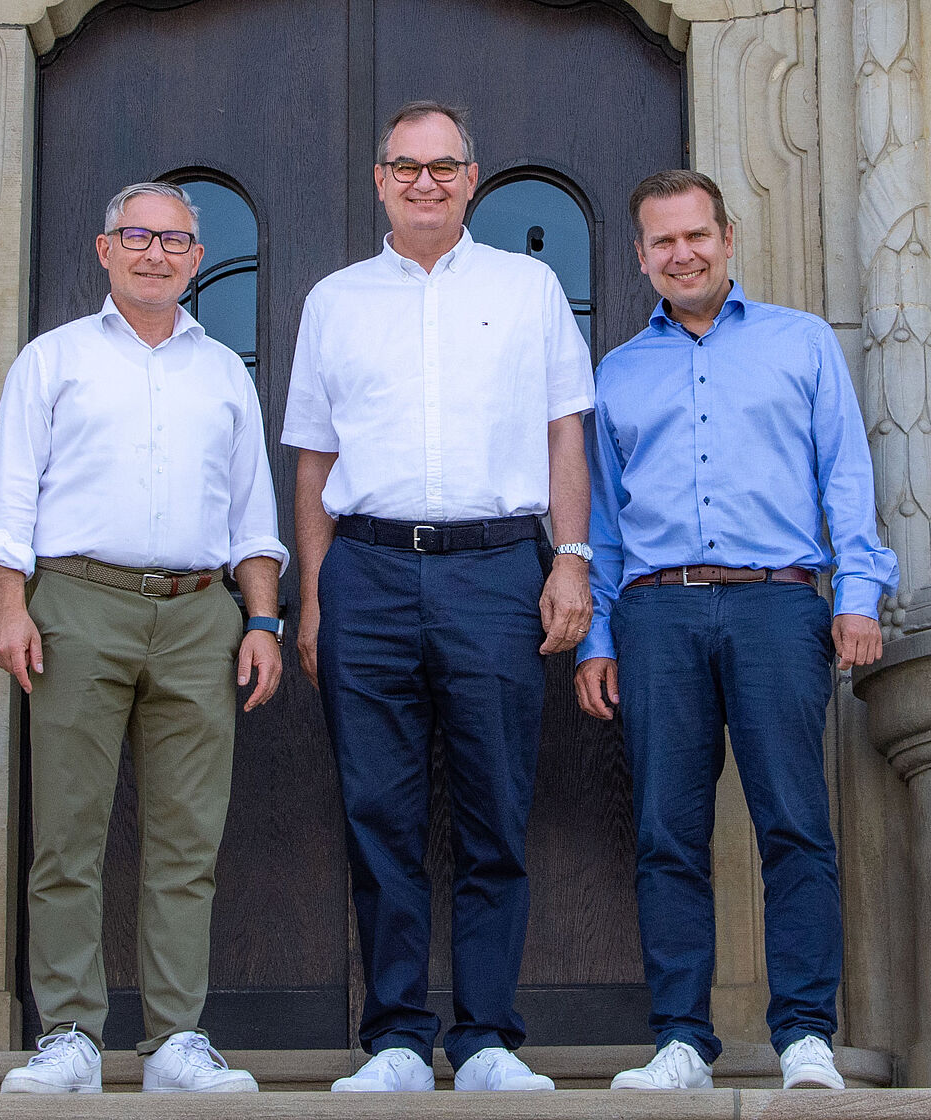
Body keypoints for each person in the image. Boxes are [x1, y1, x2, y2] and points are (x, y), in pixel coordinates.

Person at [282, 101, 594, 1093]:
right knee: (378, 811)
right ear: (378, 179)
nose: (424, 181)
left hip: (495, 567)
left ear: (471, 178)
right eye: (405, 167)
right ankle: (396, 1041)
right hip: (364, 571)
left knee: (494, 807)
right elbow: (313, 456)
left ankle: (489, 1038)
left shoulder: (528, 286)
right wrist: (316, 596)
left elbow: (561, 435)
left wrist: (571, 558)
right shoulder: (334, 299)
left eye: (443, 166)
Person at [575, 169, 899, 1091]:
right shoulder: (618, 371)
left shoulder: (800, 345)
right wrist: (597, 636)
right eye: (663, 242)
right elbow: (602, 518)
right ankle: (681, 1039)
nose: (682, 254)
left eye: (697, 236)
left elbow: (845, 472)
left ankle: (805, 1035)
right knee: (666, 832)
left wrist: (858, 595)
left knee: (795, 823)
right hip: (657, 613)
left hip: (778, 603)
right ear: (641, 257)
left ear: (728, 238)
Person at [0, 181, 288, 1095]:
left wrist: (260, 619)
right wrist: (9, 604)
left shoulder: (223, 370)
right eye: (137, 236)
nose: (156, 253)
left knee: (188, 838)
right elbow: (11, 497)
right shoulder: (54, 359)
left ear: (195, 260)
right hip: (76, 601)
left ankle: (174, 1042)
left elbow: (251, 517)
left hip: (200, 614)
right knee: (67, 831)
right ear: (104, 249)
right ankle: (68, 1034)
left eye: (176, 241)